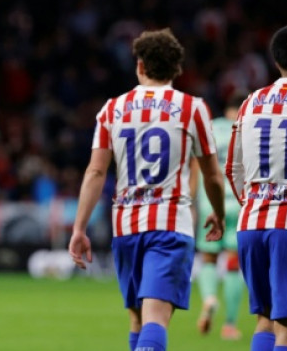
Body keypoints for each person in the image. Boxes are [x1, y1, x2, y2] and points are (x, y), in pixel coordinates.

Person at [68, 28, 227, 351]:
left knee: (138, 319)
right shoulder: (192, 107)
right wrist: (218, 213)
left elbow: (96, 170)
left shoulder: (112, 109)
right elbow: (212, 175)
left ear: (140, 66)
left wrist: (79, 227)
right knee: (155, 317)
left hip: (126, 227)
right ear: (176, 69)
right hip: (170, 226)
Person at [227, 24, 287, 351]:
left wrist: (257, 201)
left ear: (275, 60)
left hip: (251, 223)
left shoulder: (251, 102)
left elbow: (233, 168)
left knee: (266, 319)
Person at [192, 93, 247, 340]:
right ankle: (230, 324)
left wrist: (191, 201)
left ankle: (210, 298)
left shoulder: (211, 128)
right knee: (234, 264)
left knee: (209, 258)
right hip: (239, 202)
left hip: (209, 203)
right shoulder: (248, 127)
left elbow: (197, 168)